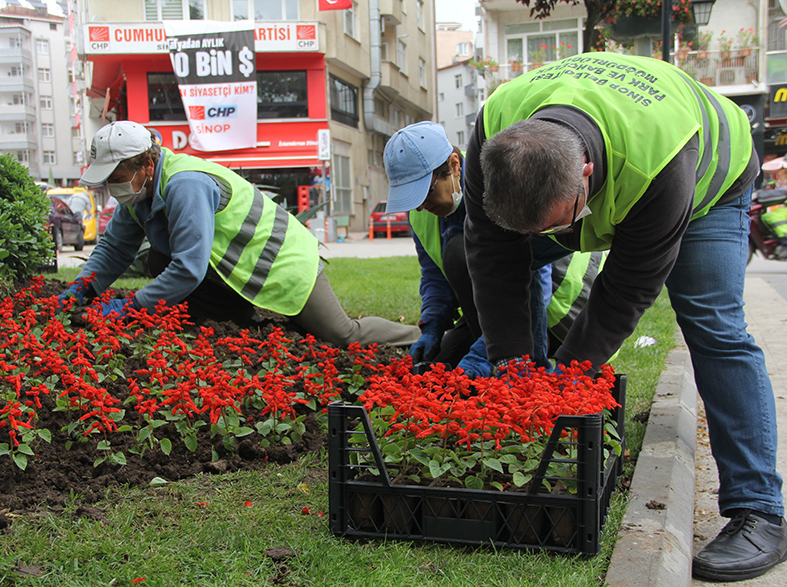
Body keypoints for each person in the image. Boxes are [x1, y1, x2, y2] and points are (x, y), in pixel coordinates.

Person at [463, 52, 785, 582]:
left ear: (585, 175)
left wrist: (565, 383)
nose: (541, 241)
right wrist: (515, 370)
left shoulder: (658, 160)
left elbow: (626, 289)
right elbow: (493, 259)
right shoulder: (496, 126)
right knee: (493, 264)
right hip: (587, 178)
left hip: (707, 184)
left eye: (550, 226)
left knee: (713, 327)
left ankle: (759, 511)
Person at [58, 120, 420, 348]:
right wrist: (84, 287)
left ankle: (423, 337)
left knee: (341, 335)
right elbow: (114, 249)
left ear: (146, 165)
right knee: (157, 257)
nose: (113, 189)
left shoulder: (186, 184)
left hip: (283, 263)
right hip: (238, 270)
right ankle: (243, 323)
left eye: (116, 180)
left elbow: (188, 269)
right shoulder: (138, 194)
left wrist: (132, 307)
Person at [383, 121, 602, 368]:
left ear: (454, 166)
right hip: (494, 304)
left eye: (426, 192)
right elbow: (434, 276)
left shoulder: (503, 183)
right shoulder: (421, 213)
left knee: (459, 250)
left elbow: (530, 276)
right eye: (413, 198)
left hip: (561, 306)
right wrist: (432, 327)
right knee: (442, 364)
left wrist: (495, 351)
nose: (421, 206)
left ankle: (532, 367)